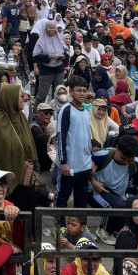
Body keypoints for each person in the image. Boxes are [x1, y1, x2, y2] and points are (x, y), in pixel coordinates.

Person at [0, 84, 40, 216]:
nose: (23, 99)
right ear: (10, 98)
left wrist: (36, 167)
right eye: (20, 96)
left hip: (25, 180)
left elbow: (30, 145)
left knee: (27, 216)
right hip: (5, 182)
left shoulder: (21, 117)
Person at [89, 136, 138, 245]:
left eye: (128, 160)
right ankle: (104, 230)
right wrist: (93, 181)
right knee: (116, 206)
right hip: (96, 190)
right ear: (117, 148)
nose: (125, 162)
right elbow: (83, 167)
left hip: (119, 195)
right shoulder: (102, 156)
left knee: (128, 219)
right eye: (122, 158)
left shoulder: (136, 165)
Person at [55, 76, 92, 212]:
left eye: (84, 90)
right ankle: (59, 226)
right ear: (70, 92)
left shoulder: (86, 112)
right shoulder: (66, 109)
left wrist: (90, 159)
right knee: (63, 196)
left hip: (84, 163)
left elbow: (87, 137)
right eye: (79, 91)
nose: (82, 94)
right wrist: (63, 161)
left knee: (81, 198)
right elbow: (61, 136)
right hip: (69, 165)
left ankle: (80, 225)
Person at [33, 20, 67, 106]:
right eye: (50, 27)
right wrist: (48, 57)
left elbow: (66, 50)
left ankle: (56, 112)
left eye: (53, 28)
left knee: (58, 93)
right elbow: (36, 55)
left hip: (59, 69)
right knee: (42, 94)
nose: (52, 29)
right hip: (46, 71)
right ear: (46, 28)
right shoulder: (41, 40)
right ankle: (36, 114)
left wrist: (63, 56)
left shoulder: (59, 38)